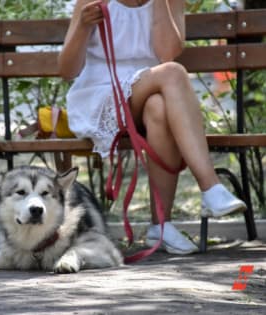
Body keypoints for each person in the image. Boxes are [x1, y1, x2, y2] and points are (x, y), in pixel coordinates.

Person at [58, 0, 247, 255]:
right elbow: (67, 70)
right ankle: (210, 186)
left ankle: (160, 225)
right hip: (101, 96)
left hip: (150, 92)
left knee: (158, 107)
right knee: (173, 73)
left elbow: (166, 51)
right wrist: (82, 25)